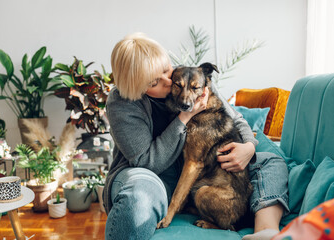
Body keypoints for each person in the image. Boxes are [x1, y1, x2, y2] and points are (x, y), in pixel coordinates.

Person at [103, 33, 289, 240]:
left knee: (271, 160)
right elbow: (146, 162)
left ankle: (266, 232)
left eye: (166, 69)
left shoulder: (191, 77)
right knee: (138, 195)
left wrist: (249, 148)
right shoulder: (122, 103)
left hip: (204, 174)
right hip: (155, 175)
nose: (168, 81)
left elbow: (236, 119)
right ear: (136, 87)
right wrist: (185, 117)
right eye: (154, 82)